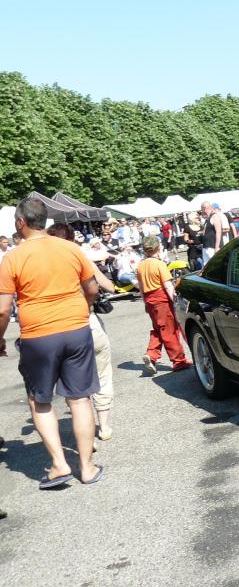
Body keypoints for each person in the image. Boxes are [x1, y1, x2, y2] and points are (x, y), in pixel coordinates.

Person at [0, 198, 105, 488]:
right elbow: (92, 288)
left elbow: (3, 308)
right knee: (80, 397)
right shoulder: (70, 248)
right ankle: (87, 467)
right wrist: (81, 310)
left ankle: (59, 464)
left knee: (40, 400)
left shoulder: (13, 257)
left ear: (21, 222)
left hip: (38, 335)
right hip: (75, 328)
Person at [48, 223, 115, 443]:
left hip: (61, 325)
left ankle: (87, 439)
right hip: (90, 322)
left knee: (74, 384)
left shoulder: (45, 265)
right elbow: (109, 287)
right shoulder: (80, 258)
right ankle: (103, 427)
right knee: (103, 375)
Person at [137, 236, 191, 375]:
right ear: (158, 248)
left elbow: (142, 289)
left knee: (158, 328)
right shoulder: (159, 264)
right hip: (161, 300)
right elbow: (167, 285)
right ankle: (179, 361)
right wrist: (175, 299)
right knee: (170, 330)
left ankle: (151, 355)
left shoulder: (141, 266)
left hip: (149, 300)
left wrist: (145, 303)